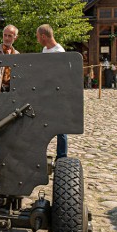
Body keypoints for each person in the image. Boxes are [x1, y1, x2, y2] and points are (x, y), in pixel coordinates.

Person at [36, 24, 67, 158]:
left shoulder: (59, 52)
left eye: (38, 37)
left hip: (57, 95)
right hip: (46, 94)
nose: (37, 40)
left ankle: (61, 156)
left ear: (43, 36)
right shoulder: (45, 49)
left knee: (60, 128)